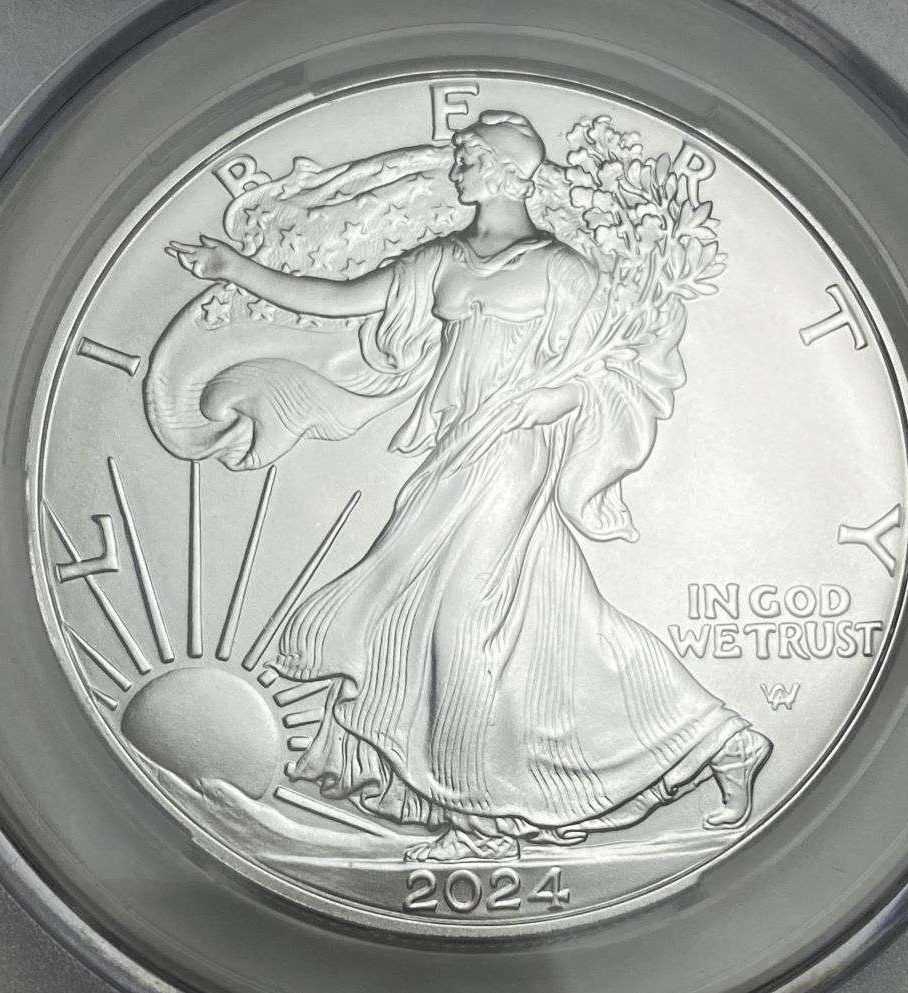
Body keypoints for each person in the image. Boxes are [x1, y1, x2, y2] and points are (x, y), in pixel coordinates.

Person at [168, 110, 771, 863]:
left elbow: (611, 369)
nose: (456, 168)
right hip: (454, 450)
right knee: (555, 623)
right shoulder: (441, 260)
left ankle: (479, 816)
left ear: (509, 173)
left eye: (469, 158)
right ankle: (718, 742)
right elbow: (342, 296)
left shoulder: (564, 270)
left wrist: (553, 399)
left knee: (458, 622)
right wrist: (236, 269)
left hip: (511, 452)